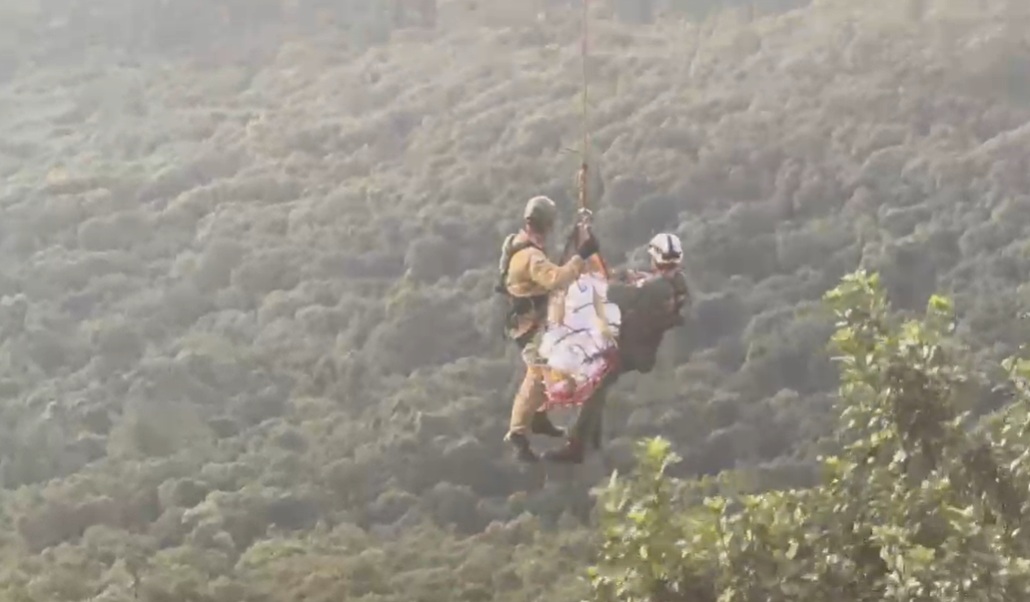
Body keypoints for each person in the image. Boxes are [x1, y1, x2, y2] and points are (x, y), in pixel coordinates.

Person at [497, 195, 600, 462]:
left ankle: (539, 416)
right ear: (547, 224)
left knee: (547, 367)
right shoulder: (531, 256)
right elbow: (556, 279)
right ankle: (518, 432)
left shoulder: (519, 245)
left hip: (530, 321)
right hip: (529, 326)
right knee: (538, 372)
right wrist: (581, 256)